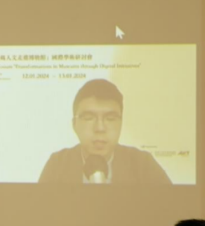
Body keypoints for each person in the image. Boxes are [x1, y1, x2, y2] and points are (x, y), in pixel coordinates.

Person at [38, 79, 171, 184]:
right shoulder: (58, 164)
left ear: (121, 124)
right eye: (89, 118)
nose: (100, 128)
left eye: (110, 118)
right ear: (74, 124)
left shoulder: (142, 164)